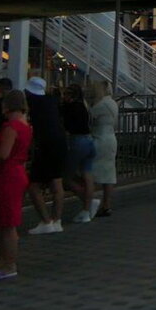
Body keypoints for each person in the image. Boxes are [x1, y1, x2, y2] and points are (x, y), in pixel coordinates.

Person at [0, 88, 33, 282]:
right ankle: (2, 262)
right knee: (5, 221)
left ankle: (8, 263)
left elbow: (3, 154)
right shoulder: (24, 125)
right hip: (15, 172)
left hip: (7, 174)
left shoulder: (11, 127)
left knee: (6, 223)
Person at [24, 77, 67, 233]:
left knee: (33, 185)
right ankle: (57, 220)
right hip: (60, 142)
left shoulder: (32, 103)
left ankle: (45, 220)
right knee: (57, 183)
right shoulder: (51, 101)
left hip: (45, 144)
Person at [60, 83, 97, 223]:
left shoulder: (69, 108)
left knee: (66, 177)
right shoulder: (84, 106)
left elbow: (67, 125)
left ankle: (87, 200)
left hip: (77, 141)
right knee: (87, 174)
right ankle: (87, 208)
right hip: (89, 140)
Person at [87, 79, 117, 218]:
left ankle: (89, 202)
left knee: (90, 171)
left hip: (100, 138)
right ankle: (107, 204)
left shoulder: (101, 104)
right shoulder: (113, 103)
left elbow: (90, 115)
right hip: (111, 138)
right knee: (109, 173)